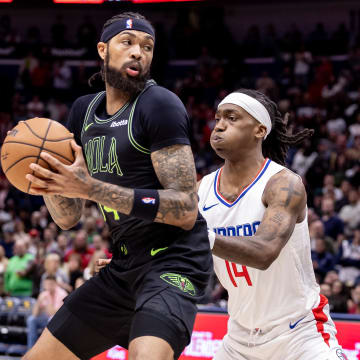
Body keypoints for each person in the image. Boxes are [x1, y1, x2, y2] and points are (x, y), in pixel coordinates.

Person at [22, 11, 212, 360]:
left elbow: (185, 210)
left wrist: (91, 188)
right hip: (123, 266)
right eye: (127, 42)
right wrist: (44, 179)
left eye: (148, 46)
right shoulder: (82, 112)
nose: (139, 52)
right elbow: (67, 218)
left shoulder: (160, 104)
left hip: (175, 261)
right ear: (103, 50)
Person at [197, 89, 346, 359]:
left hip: (299, 334)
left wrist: (199, 236)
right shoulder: (203, 189)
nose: (219, 125)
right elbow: (171, 249)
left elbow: (264, 251)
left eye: (231, 118)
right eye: (218, 118)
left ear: (259, 130)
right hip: (239, 339)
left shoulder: (283, 183)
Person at [26, 275, 67, 350]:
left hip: (59, 322)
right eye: (46, 284)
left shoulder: (62, 294)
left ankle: (46, 349)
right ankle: (31, 349)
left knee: (50, 319)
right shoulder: (43, 294)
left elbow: (55, 315)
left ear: (55, 284)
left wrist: (47, 301)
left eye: (50, 284)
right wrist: (39, 302)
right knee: (31, 320)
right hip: (47, 319)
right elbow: (35, 314)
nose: (48, 286)